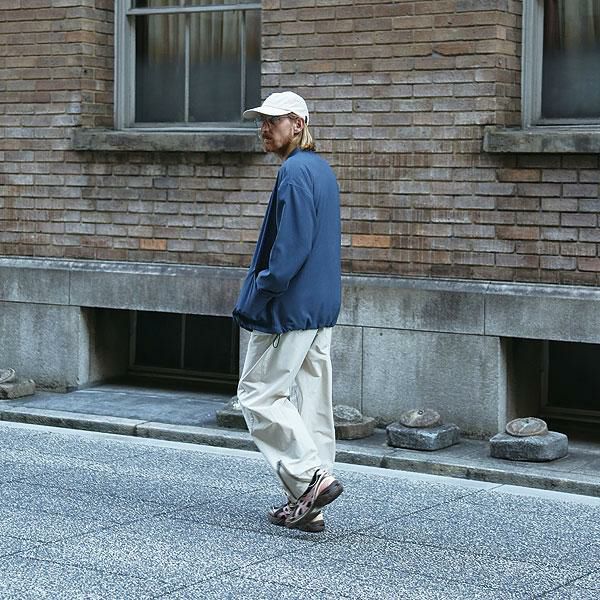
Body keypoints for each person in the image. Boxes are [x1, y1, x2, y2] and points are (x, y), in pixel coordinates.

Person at [232, 91, 343, 532]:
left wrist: (263, 287)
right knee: (310, 402)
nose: (264, 129)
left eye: (272, 121)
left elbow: (290, 250)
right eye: (261, 121)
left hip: (289, 306)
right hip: (319, 306)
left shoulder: (295, 172)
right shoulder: (321, 170)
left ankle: (311, 480)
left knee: (257, 394)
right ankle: (311, 503)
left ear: (298, 124)